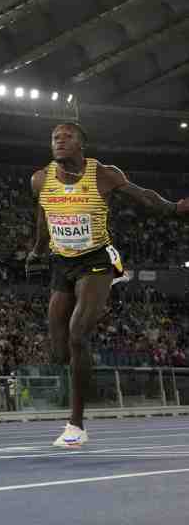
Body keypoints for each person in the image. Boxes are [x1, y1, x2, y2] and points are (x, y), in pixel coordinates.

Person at [27, 122, 189, 447]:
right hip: (62, 262)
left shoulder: (103, 174)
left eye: (66, 137)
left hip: (97, 260)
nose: (59, 141)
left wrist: (173, 208)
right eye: (55, 138)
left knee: (77, 336)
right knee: (58, 349)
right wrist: (36, 250)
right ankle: (79, 366)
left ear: (81, 144)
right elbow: (43, 217)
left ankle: (76, 425)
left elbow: (142, 194)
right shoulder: (40, 179)